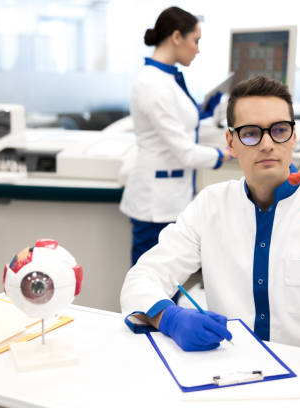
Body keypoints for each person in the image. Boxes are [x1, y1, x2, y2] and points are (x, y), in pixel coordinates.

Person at [120, 76, 300, 406]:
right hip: (231, 384)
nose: (267, 144)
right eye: (251, 133)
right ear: (231, 142)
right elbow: (142, 278)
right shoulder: (210, 205)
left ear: (294, 135)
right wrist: (168, 317)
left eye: (279, 130)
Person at [120, 6, 231, 266]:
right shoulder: (153, 84)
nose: (198, 49)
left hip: (169, 198)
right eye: (196, 40)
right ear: (177, 37)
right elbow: (183, 150)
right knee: (152, 282)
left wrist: (203, 112)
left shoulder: (166, 79)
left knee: (169, 278)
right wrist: (225, 153)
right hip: (155, 204)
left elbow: (178, 122)